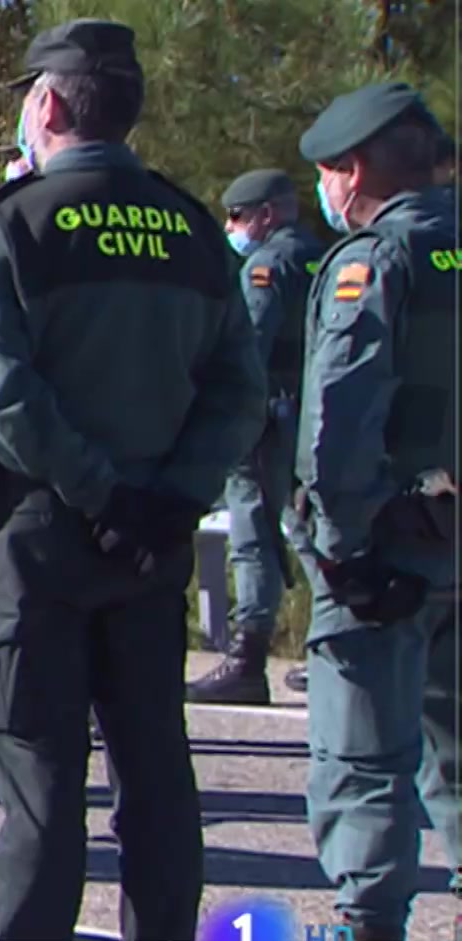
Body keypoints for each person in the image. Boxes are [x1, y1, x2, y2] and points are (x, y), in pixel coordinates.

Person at [0, 21, 265, 941]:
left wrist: (99, 494)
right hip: (152, 548)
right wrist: (165, 500)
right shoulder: (193, 231)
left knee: (42, 791)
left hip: (43, 542)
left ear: (48, 106)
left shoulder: (10, 225)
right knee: (157, 781)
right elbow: (241, 395)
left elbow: (6, 392)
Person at [241, 86, 459, 941]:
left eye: (330, 173)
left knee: (365, 764)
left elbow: (337, 419)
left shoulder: (376, 260)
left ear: (355, 171)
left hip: (390, 550)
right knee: (456, 757)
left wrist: (338, 545)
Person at [184, 169, 327, 704]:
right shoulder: (324, 257)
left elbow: (250, 351)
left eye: (239, 217)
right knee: (308, 527)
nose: (232, 227)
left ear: (266, 215)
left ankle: (247, 658)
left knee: (255, 535)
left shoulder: (266, 267)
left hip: (265, 418)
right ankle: (334, 647)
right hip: (311, 415)